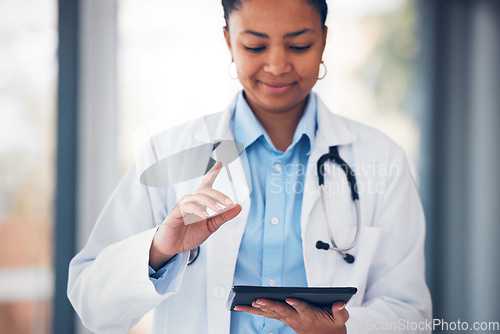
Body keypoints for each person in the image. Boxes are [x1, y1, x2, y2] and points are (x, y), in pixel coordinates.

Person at [68, 0, 432, 333]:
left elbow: (411, 314)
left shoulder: (380, 159)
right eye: (255, 46)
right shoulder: (172, 151)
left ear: (323, 40)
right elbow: (92, 305)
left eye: (299, 45)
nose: (276, 65)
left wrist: (344, 329)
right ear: (228, 41)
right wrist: (158, 250)